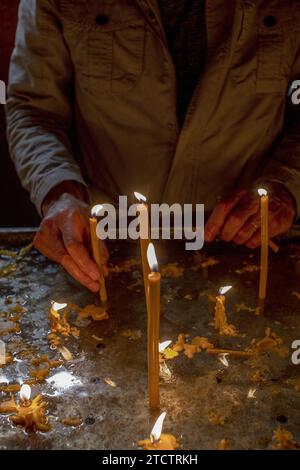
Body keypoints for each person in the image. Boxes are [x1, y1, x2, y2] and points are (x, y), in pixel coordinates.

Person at [6, 1, 299, 292]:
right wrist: (60, 193)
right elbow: (34, 109)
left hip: (244, 251)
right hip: (105, 248)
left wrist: (286, 185)